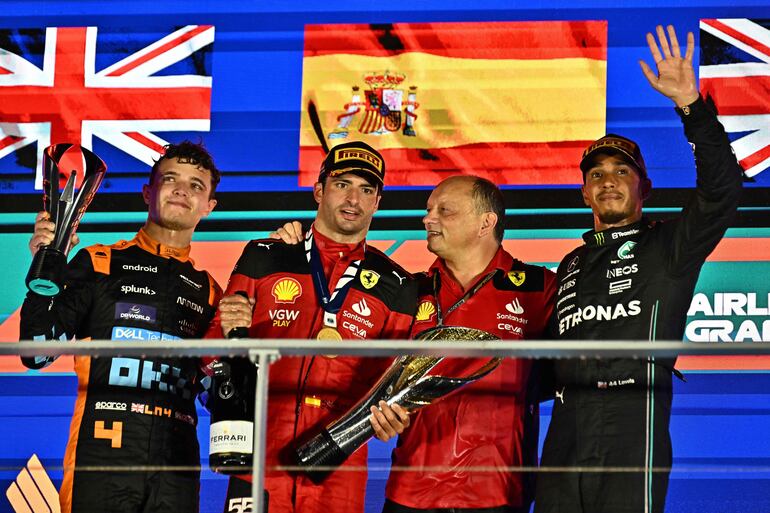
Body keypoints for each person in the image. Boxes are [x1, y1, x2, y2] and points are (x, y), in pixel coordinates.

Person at [535, 26, 743, 513]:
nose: (608, 182)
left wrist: (691, 104)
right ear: (584, 193)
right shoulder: (569, 264)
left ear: (645, 187)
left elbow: (721, 191)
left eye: (622, 172)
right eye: (597, 175)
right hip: (564, 427)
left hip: (634, 420)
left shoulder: (669, 244)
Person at [208, 140, 418, 513]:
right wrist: (224, 337)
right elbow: (218, 346)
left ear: (378, 202)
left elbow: (395, 384)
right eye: (342, 185)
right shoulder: (266, 254)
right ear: (319, 190)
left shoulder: (397, 285)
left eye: (366, 190)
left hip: (339, 460)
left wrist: (396, 415)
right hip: (261, 453)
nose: (353, 199)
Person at [20, 141, 223, 513]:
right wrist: (42, 269)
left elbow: (217, 394)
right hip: (101, 461)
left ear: (209, 206)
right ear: (148, 192)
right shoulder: (98, 261)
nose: (182, 190)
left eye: (197, 185)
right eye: (171, 179)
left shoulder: (211, 291)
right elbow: (36, 352)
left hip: (176, 470)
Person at [382, 176, 556, 513]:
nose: (427, 219)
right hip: (411, 492)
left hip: (498, 491)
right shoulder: (409, 290)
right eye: (429, 210)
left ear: (485, 222)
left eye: (444, 211)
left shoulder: (539, 288)